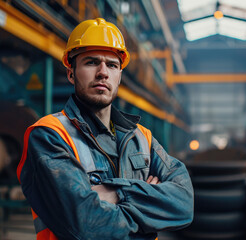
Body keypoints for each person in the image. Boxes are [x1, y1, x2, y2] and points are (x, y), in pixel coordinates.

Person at [17, 18, 193, 240]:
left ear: (119, 76)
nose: (103, 72)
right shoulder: (49, 134)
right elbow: (83, 224)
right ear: (71, 73)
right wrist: (147, 196)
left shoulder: (142, 137)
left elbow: (184, 203)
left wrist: (115, 193)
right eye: (91, 62)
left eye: (112, 65)